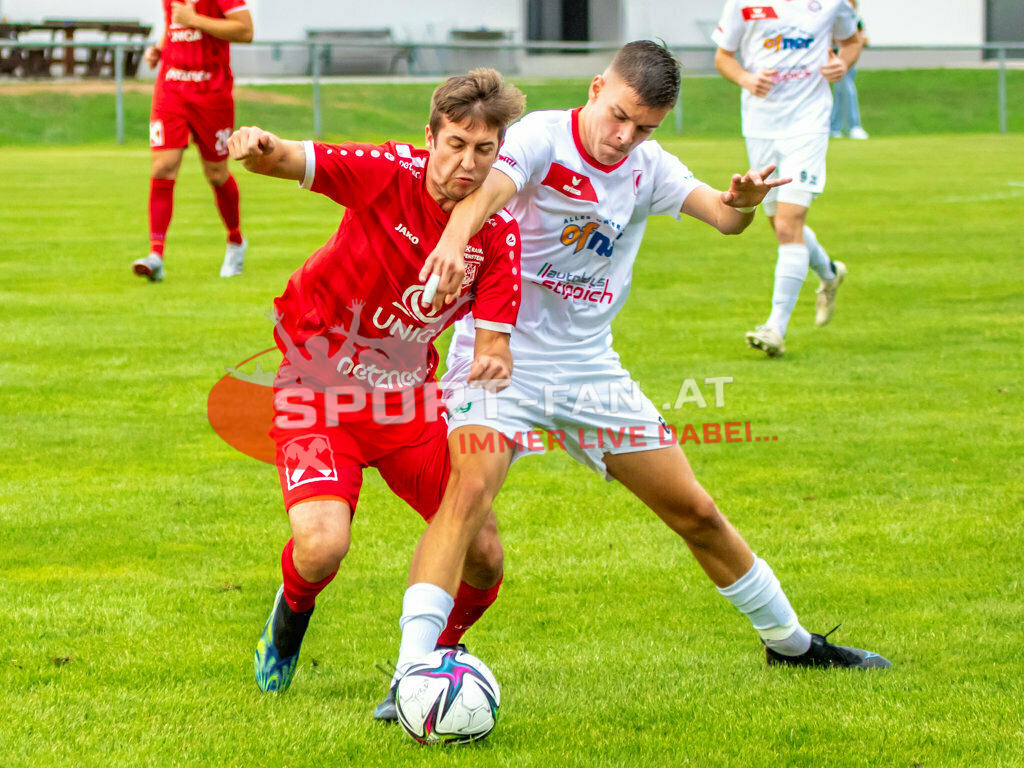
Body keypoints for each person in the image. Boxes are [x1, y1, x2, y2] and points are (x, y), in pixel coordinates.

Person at [375, 39, 890, 721]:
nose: (625, 137)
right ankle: (412, 674)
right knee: (467, 495)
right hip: (497, 358)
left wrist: (742, 202)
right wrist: (451, 239)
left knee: (695, 511)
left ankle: (791, 644)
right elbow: (488, 191)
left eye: (644, 126)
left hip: (591, 371)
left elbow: (725, 218)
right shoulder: (540, 138)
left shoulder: (648, 166)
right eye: (619, 116)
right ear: (595, 88)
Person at [226, 69, 526, 694]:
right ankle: (291, 614)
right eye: (455, 144)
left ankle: (424, 669)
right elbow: (285, 158)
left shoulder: (497, 236)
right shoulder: (387, 170)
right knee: (322, 546)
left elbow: (495, 342)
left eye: (484, 151)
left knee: (486, 555)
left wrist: (494, 364)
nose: (466, 164)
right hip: (317, 391)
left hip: (406, 407)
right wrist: (256, 144)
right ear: (430, 137)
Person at [713, 0, 864, 357]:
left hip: (808, 124)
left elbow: (852, 41)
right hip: (761, 126)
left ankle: (775, 329)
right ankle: (829, 274)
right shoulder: (743, 4)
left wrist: (843, 63)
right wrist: (746, 78)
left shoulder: (832, 4)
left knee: (788, 224)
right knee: (779, 225)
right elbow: (723, 57)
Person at [133, 0, 254, 283]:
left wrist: (195, 19)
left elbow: (245, 31)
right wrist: (160, 50)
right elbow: (173, 23)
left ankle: (236, 240)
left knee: (216, 173)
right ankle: (156, 255)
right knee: (163, 166)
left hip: (211, 93)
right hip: (171, 88)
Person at [830, 1, 869, 139]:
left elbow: (859, 38)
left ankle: (853, 126)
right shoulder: (831, 15)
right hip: (834, 58)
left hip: (848, 62)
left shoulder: (855, 20)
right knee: (840, 94)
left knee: (848, 92)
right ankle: (836, 127)